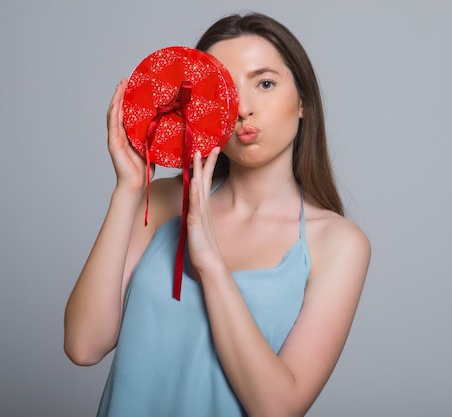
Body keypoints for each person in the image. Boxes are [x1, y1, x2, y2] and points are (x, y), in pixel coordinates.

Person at [64, 11, 370, 417]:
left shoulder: (338, 244)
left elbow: (277, 408)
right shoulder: (160, 203)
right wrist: (128, 190)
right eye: (221, 89)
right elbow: (84, 346)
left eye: (264, 83)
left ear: (303, 103)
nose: (243, 108)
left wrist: (210, 264)